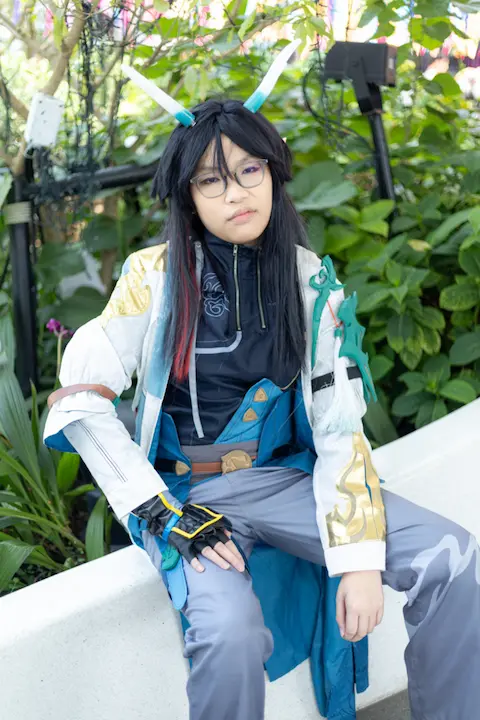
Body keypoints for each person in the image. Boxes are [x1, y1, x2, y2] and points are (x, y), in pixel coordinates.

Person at [44, 43, 480, 720]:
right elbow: (80, 399)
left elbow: (339, 425)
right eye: (211, 180)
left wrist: (359, 555)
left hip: (281, 482)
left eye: (250, 170)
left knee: (450, 555)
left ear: (274, 173)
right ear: (188, 196)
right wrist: (157, 510)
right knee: (230, 634)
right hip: (186, 496)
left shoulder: (308, 281)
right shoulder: (152, 278)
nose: (236, 193)